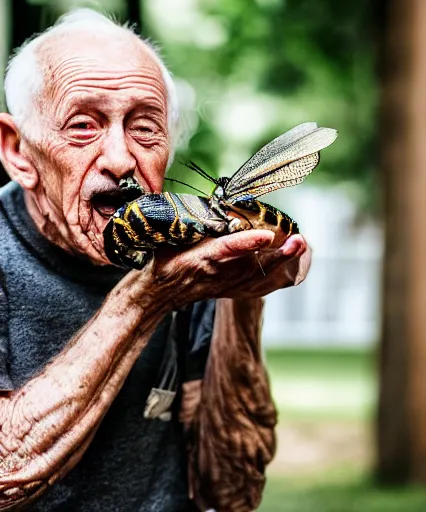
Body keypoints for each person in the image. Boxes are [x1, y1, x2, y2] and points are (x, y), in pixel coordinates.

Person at [0, 8, 311, 512]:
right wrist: (148, 296)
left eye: (145, 128)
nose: (122, 159)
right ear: (17, 151)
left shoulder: (191, 255)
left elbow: (232, 492)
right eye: (83, 125)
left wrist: (243, 291)